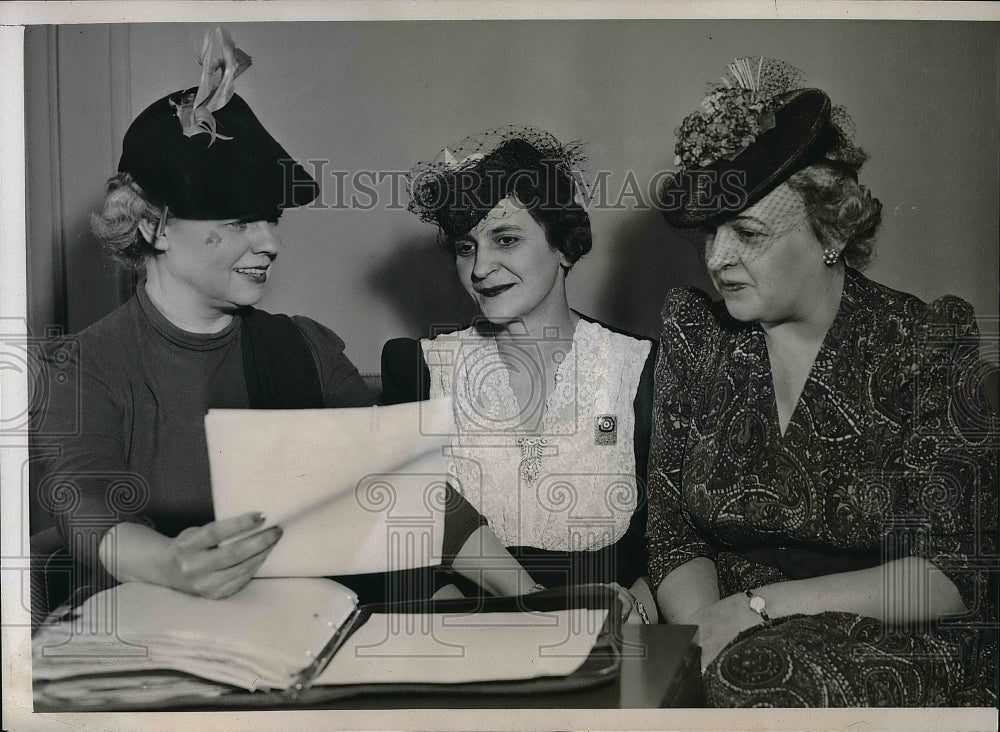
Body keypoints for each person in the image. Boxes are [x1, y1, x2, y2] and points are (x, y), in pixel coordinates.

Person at [650, 57, 997, 705]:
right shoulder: (696, 334)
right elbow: (674, 535)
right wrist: (700, 634)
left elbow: (951, 574)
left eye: (747, 232)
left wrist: (758, 609)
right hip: (722, 624)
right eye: (711, 232)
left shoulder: (926, 341)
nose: (717, 257)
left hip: (891, 635)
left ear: (830, 230)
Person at [31, 30, 377, 604]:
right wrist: (170, 563)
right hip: (146, 641)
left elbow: (397, 477)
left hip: (297, 627)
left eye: (271, 219)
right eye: (239, 221)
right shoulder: (82, 366)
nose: (270, 243)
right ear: (153, 226)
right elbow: (85, 503)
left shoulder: (305, 349)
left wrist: (529, 597)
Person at [381, 127, 657, 621]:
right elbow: (402, 545)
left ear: (565, 247)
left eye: (505, 239)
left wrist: (639, 608)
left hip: (605, 632)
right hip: (468, 635)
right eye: (466, 248)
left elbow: (663, 540)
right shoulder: (418, 369)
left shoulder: (638, 367)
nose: (481, 267)